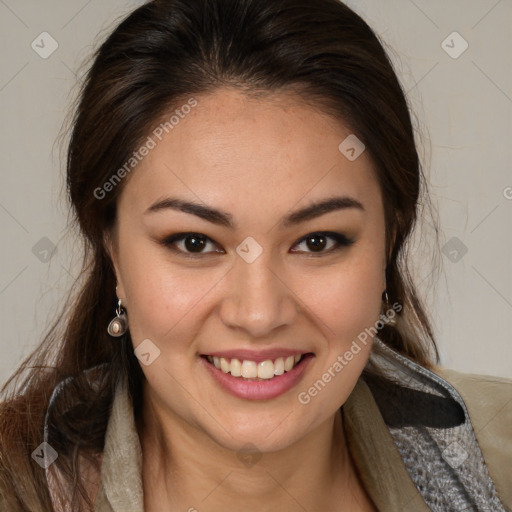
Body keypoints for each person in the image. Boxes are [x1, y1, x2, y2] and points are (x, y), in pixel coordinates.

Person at [0, 0, 510, 510]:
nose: (259, 314)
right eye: (194, 243)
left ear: (390, 240)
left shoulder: (500, 455)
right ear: (112, 251)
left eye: (317, 241)